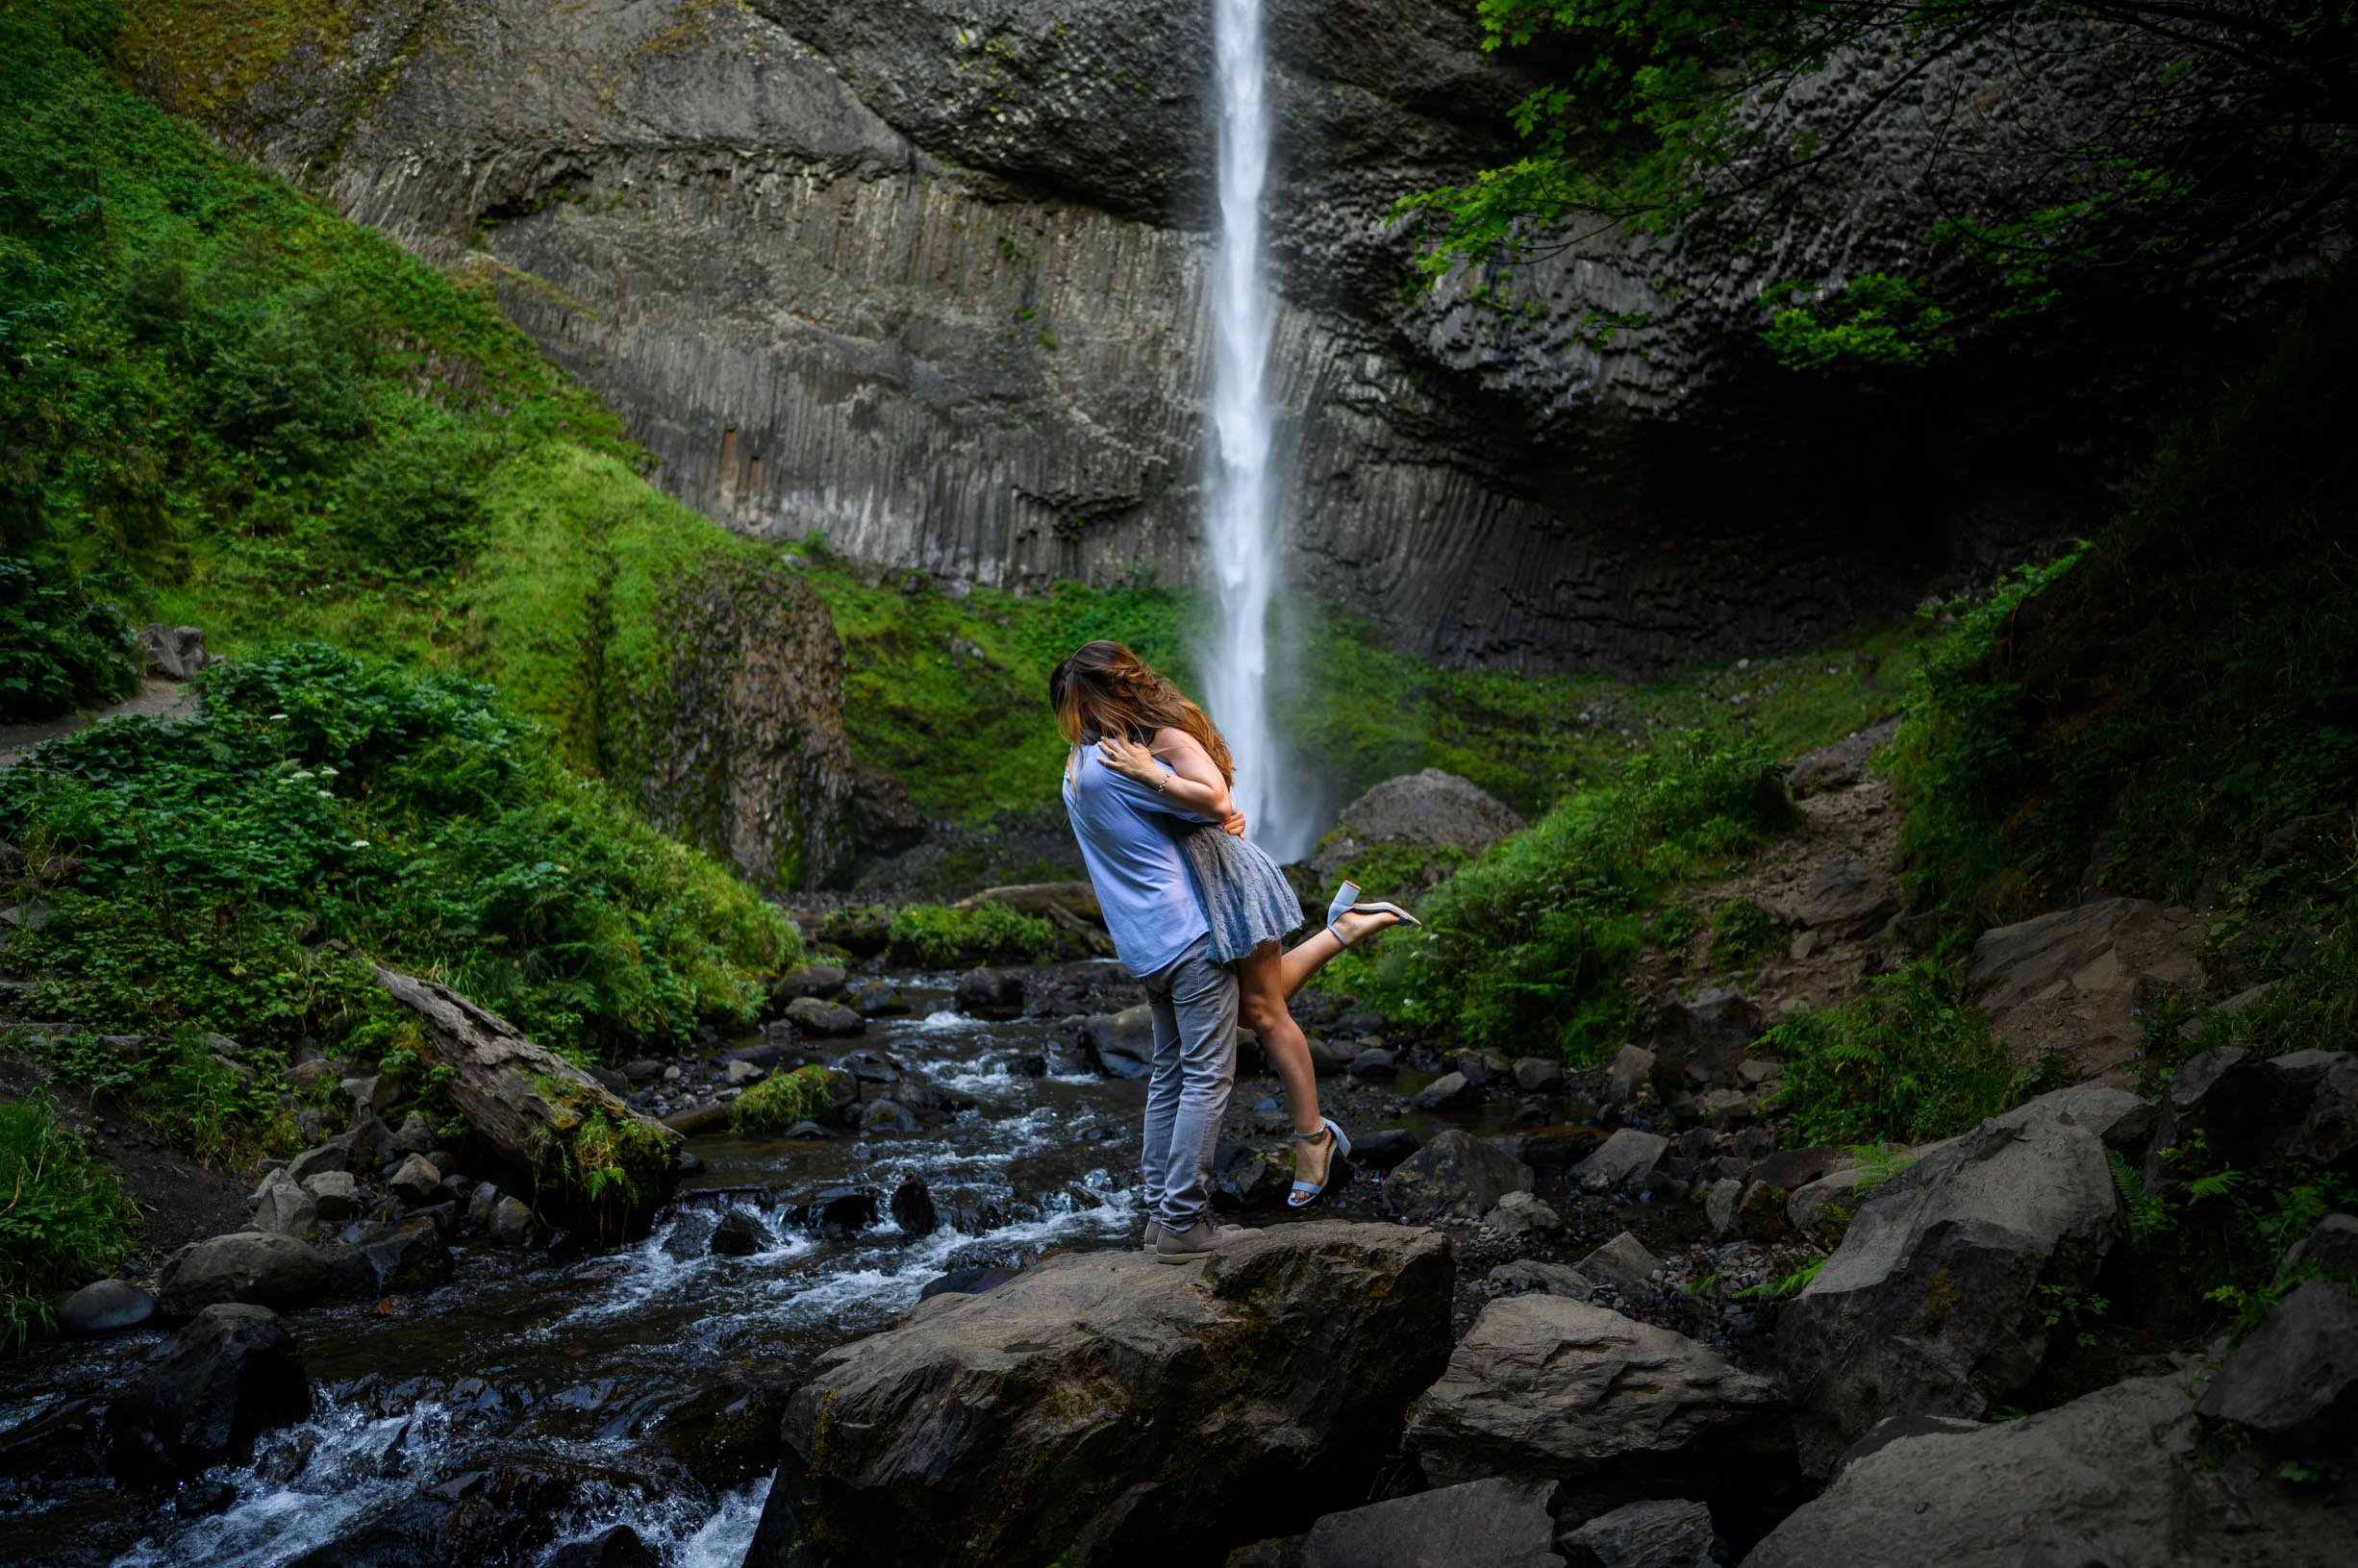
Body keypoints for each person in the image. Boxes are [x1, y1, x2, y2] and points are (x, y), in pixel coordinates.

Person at [1050, 641, 1417, 1253]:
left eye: (1081, 705)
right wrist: (1185, 792)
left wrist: (1190, 794)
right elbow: (1213, 806)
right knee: (1209, 1071)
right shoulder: (1115, 761)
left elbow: (1212, 806)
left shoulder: (1084, 765)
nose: (1080, 720)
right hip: (1190, 930)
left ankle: (1164, 1215)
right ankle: (1184, 1221)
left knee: (1185, 1066)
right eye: (1073, 710)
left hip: (1158, 939)